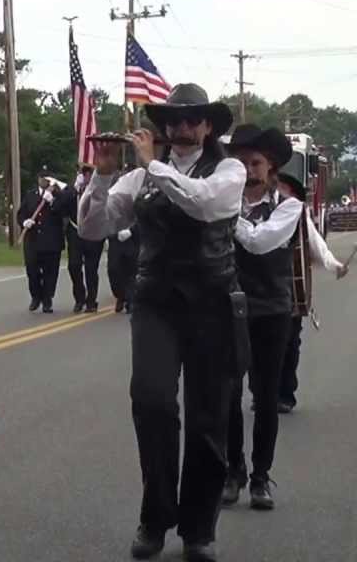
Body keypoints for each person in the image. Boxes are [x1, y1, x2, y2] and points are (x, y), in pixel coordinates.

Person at [79, 84, 244, 562]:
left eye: (193, 119)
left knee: (208, 418)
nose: (182, 127)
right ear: (164, 126)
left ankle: (199, 529)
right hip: (156, 302)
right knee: (151, 404)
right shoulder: (138, 177)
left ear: (208, 126)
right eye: (174, 119)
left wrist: (152, 165)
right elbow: (93, 228)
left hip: (212, 303)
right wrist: (102, 176)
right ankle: (155, 518)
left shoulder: (229, 171)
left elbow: (202, 204)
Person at [219, 125, 299, 511]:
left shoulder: (289, 206)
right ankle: (233, 470)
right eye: (242, 163)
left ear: (271, 167)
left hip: (271, 309)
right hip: (229, 309)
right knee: (228, 395)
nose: (249, 171)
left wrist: (223, 213)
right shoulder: (222, 201)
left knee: (265, 397)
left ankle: (261, 477)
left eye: (256, 163)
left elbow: (259, 241)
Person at [276, 173, 347, 413]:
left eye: (284, 189)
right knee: (259, 346)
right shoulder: (256, 211)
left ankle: (285, 394)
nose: (279, 193)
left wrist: (334, 265)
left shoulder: (298, 215)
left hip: (289, 292)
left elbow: (317, 245)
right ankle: (263, 392)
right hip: (259, 292)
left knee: (289, 344)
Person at [17, 170, 69, 313]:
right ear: (38, 179)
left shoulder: (59, 195)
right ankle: (36, 296)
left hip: (51, 241)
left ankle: (47, 299)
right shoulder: (30, 194)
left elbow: (64, 213)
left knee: (50, 273)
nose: (43, 180)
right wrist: (24, 221)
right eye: (41, 178)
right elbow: (21, 213)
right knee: (32, 270)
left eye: (46, 178)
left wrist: (52, 201)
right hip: (33, 240)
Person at [65, 164, 106, 313]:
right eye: (84, 174)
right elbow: (60, 205)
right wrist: (74, 190)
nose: (87, 177)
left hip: (93, 233)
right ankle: (79, 298)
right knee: (74, 266)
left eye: (90, 174)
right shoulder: (73, 190)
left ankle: (91, 301)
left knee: (91, 268)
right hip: (75, 231)